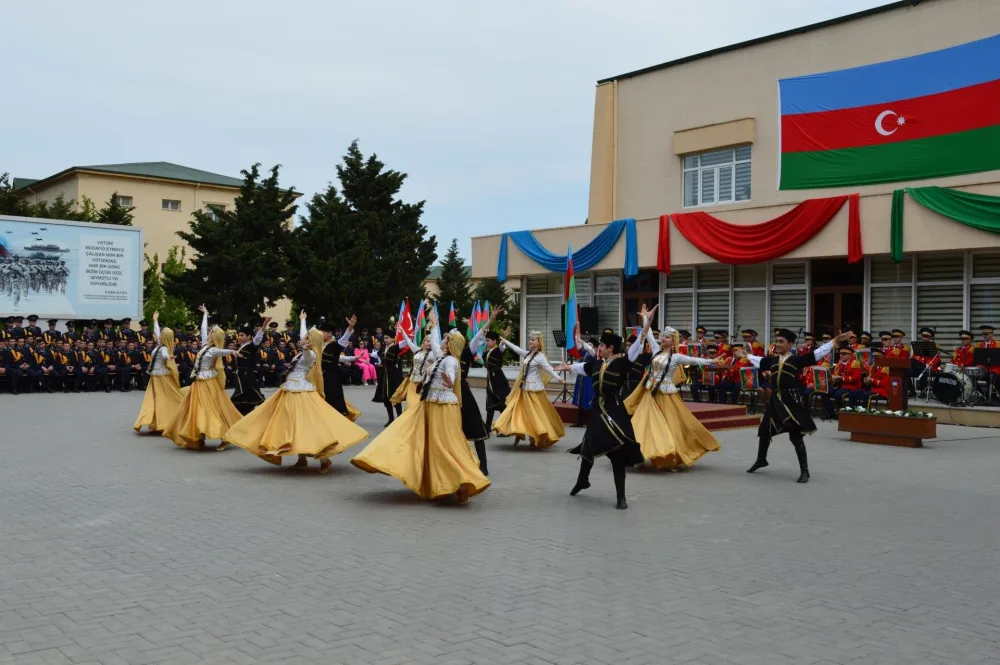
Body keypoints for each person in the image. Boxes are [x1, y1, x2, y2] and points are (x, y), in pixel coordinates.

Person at [352, 310, 490, 505]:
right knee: (428, 443)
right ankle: (433, 484)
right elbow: (434, 344)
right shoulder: (440, 356)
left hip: (443, 407)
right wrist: (433, 324)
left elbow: (451, 378)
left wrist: (448, 381)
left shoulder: (451, 361)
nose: (441, 342)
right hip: (430, 404)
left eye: (446, 340)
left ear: (450, 345)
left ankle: (462, 483)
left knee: (445, 445)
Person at [225, 312, 370, 473]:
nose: (303, 338)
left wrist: (309, 348)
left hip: (302, 392)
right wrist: (302, 321)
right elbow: (304, 343)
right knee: (292, 425)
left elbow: (310, 359)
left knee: (307, 425)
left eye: (307, 337)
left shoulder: (313, 353)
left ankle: (324, 459)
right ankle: (301, 458)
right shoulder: (305, 350)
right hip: (290, 389)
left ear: (311, 341)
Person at [737, 328, 848, 483]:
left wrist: (835, 340)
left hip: (790, 401)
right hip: (775, 401)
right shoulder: (773, 360)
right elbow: (759, 361)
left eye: (781, 342)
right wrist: (746, 355)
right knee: (764, 431)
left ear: (790, 344)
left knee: (795, 435)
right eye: (776, 341)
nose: (777, 344)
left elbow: (818, 353)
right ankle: (761, 460)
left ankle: (805, 471)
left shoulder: (797, 360)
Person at [553, 326, 647, 510]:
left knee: (617, 452)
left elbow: (636, 349)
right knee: (588, 446)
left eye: (602, 345)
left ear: (611, 348)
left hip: (615, 411)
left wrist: (645, 329)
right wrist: (568, 367)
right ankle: (582, 481)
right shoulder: (597, 363)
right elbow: (583, 368)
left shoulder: (622, 362)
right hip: (597, 411)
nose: (599, 348)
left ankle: (621, 497)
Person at [621, 309, 725, 470]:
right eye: (663, 336)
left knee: (671, 426)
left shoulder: (676, 357)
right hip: (650, 394)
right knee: (642, 424)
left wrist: (713, 361)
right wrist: (645, 320)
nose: (663, 338)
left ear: (673, 341)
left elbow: (695, 360)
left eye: (667, 337)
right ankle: (638, 454)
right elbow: (648, 335)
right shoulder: (656, 350)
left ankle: (671, 457)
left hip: (666, 395)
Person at [162, 305, 243, 451]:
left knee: (211, 409)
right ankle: (198, 437)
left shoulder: (213, 350)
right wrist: (205, 314)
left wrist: (232, 351)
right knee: (194, 410)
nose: (209, 332)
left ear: (215, 337)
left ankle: (225, 436)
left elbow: (222, 351)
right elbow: (203, 329)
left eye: (212, 332)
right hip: (198, 382)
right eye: (210, 331)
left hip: (208, 383)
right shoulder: (205, 345)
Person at [492, 330, 566, 448]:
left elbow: (548, 368)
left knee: (533, 414)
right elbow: (516, 349)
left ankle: (535, 436)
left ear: (538, 342)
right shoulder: (528, 354)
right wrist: (506, 341)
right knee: (518, 411)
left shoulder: (540, 356)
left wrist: (559, 378)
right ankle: (518, 432)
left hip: (534, 390)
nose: (530, 341)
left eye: (533, 340)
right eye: (530, 339)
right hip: (524, 388)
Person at [462, 307, 503, 475]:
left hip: (463, 396)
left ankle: (483, 466)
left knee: (476, 431)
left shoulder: (465, 353)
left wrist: (491, 319)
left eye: (450, 340)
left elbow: (479, 335)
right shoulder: (441, 356)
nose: (447, 342)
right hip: (446, 399)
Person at [133, 312, 184, 434]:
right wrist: (155, 320)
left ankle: (165, 422)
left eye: (162, 335)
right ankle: (155, 422)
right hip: (155, 377)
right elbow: (156, 332)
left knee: (162, 399)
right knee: (154, 399)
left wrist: (169, 358)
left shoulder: (165, 349)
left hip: (162, 378)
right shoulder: (159, 345)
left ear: (165, 338)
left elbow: (165, 355)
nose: (159, 335)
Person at [319, 315, 357, 418]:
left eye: (323, 332)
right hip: (320, 376)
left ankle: (339, 418)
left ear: (330, 334)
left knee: (334, 397)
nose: (321, 334)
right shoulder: (319, 345)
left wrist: (349, 328)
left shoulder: (334, 345)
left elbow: (344, 339)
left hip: (332, 376)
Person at [391, 324, 434, 411]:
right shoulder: (417, 350)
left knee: (418, 405)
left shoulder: (433, 354)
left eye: (431, 342)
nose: (429, 343)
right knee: (410, 405)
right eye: (428, 341)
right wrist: (403, 331)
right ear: (423, 342)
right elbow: (409, 342)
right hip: (412, 382)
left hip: (422, 384)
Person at [229, 317, 268, 415]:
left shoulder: (252, 345)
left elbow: (258, 337)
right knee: (242, 394)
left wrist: (264, 325)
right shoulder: (240, 347)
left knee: (248, 393)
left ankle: (250, 413)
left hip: (247, 374)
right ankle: (243, 413)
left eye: (242, 335)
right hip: (239, 374)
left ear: (249, 336)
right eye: (239, 335)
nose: (239, 337)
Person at [482, 329, 511, 434]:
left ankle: (506, 428)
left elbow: (503, 346)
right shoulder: (487, 352)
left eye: (488, 340)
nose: (487, 342)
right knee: (490, 405)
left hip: (498, 381)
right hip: (491, 380)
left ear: (495, 341)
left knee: (502, 404)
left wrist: (505, 337)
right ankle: (487, 426)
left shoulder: (498, 350)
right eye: (486, 340)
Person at [372, 332, 404, 426]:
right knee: (385, 397)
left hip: (393, 374)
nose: (385, 340)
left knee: (394, 396)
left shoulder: (396, 347)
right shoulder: (383, 348)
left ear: (392, 339)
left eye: (387, 338)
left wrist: (404, 332)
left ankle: (400, 418)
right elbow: (375, 355)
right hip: (384, 374)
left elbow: (406, 342)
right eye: (384, 338)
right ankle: (391, 419)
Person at [571, 336, 596, 428]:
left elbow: (589, 349)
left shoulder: (594, 354)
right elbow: (578, 346)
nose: (588, 346)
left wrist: (582, 342)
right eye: (588, 343)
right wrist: (576, 335)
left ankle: (591, 422)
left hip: (589, 379)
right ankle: (579, 422)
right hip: (581, 378)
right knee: (580, 398)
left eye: (591, 344)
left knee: (589, 398)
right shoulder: (584, 353)